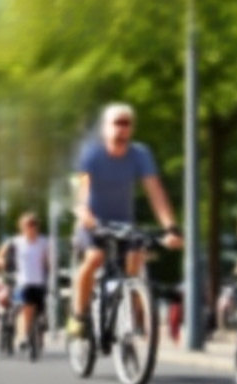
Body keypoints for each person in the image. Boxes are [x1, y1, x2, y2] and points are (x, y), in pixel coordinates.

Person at [68, 103, 182, 338]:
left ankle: (130, 313)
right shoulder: (92, 153)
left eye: (126, 123)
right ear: (105, 128)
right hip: (93, 221)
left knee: (136, 258)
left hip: (123, 223)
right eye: (116, 123)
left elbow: (155, 192)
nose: (122, 129)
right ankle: (78, 316)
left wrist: (170, 227)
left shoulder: (140, 154)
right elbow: (82, 188)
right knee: (95, 257)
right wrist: (84, 212)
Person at [0, 212, 50, 349]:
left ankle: (37, 333)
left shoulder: (44, 242)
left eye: (34, 224)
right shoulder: (16, 242)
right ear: (22, 227)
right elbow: (0, 256)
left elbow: (48, 261)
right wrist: (2, 262)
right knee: (25, 308)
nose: (32, 227)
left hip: (40, 282)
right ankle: (23, 337)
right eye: (28, 225)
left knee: (40, 310)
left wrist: (49, 270)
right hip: (23, 282)